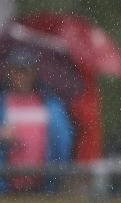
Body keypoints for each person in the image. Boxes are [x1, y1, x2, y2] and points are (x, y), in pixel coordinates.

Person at [0, 48, 74, 193]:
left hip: (44, 186)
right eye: (17, 71)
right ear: (10, 73)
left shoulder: (51, 105)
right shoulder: (3, 103)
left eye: (25, 71)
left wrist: (57, 173)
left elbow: (64, 142)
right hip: (6, 187)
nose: (21, 77)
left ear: (34, 73)